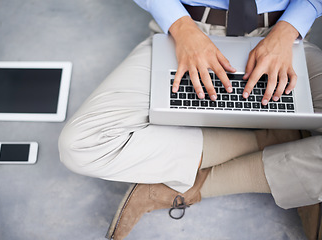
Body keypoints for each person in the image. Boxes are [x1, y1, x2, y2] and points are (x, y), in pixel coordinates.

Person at [58, 1, 322, 239]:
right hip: (188, 29)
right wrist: (183, 29)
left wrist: (288, 31)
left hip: (282, 37)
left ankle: (198, 186)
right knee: (81, 145)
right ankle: (272, 141)